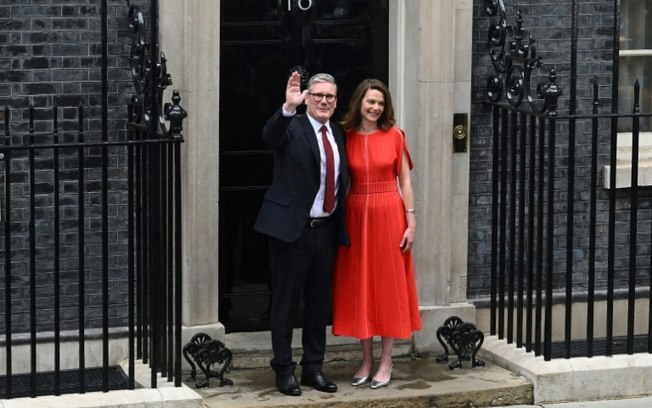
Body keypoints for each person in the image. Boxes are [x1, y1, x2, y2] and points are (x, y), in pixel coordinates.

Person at [254, 71, 349, 396]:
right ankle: (283, 369)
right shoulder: (291, 127)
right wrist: (287, 108)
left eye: (330, 97)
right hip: (291, 231)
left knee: (320, 304)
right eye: (318, 95)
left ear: (336, 102)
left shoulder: (338, 133)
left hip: (325, 230)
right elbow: (269, 137)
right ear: (306, 97)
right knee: (285, 303)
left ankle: (313, 367)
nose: (324, 101)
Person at [332, 78, 422, 389]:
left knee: (387, 286)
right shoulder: (345, 137)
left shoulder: (395, 135)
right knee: (361, 286)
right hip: (356, 212)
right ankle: (366, 359)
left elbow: (405, 183)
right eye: (371, 101)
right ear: (359, 102)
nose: (375, 107)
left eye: (381, 103)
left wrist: (411, 222)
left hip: (389, 211)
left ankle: (386, 359)